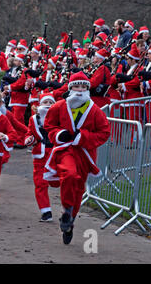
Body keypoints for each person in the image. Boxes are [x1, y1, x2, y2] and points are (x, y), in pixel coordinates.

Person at [43, 71, 110, 244]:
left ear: (87, 89)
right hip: (65, 151)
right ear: (70, 88)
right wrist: (59, 134)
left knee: (79, 189)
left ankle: (70, 221)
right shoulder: (58, 106)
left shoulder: (94, 110)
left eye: (83, 86)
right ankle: (66, 210)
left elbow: (104, 133)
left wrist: (84, 136)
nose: (79, 90)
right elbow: (49, 126)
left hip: (85, 154)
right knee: (69, 174)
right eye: (76, 86)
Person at [24, 93, 59, 222]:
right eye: (46, 102)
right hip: (40, 154)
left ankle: (68, 208)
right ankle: (46, 211)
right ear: (39, 105)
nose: (48, 105)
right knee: (40, 183)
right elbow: (30, 133)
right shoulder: (33, 119)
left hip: (56, 154)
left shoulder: (59, 117)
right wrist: (29, 139)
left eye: (51, 102)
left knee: (56, 182)